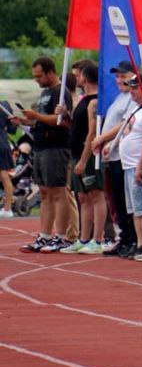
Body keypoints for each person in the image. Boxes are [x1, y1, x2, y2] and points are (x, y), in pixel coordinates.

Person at [17, 56, 73, 253]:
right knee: (44, 192)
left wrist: (37, 116)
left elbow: (62, 120)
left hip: (55, 147)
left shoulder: (61, 92)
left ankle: (61, 237)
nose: (37, 80)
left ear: (50, 72)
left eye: (39, 76)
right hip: (40, 146)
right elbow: (42, 119)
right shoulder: (45, 93)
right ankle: (44, 236)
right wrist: (26, 121)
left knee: (58, 191)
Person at [63, 62, 105, 254]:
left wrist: (83, 159)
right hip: (77, 154)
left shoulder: (94, 102)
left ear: (85, 78)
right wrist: (65, 116)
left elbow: (92, 132)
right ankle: (84, 238)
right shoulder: (84, 99)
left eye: (78, 75)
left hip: (87, 155)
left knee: (95, 195)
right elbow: (77, 127)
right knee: (83, 197)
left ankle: (97, 239)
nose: (76, 79)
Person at [97, 61, 138, 256]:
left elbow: (123, 124)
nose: (119, 80)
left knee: (124, 200)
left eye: (123, 76)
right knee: (117, 201)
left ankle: (132, 238)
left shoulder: (132, 98)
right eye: (117, 76)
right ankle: (124, 237)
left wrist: (103, 138)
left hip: (122, 156)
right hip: (111, 156)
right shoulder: (119, 97)